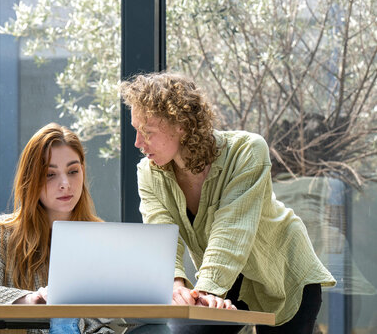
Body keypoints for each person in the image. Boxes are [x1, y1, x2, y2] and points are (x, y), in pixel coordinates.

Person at [120, 72, 336, 334]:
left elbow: (232, 232)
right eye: (136, 130)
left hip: (281, 275)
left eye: (147, 131)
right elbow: (161, 238)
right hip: (221, 279)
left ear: (181, 125)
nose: (138, 143)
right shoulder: (149, 172)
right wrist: (177, 289)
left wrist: (207, 290)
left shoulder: (247, 151)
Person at [0, 123, 111, 334]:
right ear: (31, 179)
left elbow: (113, 317)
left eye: (73, 171)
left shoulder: (102, 237)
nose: (65, 184)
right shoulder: (2, 234)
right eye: (50, 174)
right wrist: (31, 300)